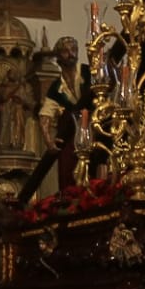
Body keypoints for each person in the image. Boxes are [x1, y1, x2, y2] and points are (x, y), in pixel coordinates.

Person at [38, 37, 94, 187]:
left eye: (74, 50)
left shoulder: (88, 72)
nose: (71, 54)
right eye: (65, 51)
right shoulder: (57, 87)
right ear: (58, 56)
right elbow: (45, 114)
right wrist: (49, 141)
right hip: (75, 136)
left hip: (95, 129)